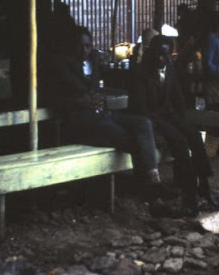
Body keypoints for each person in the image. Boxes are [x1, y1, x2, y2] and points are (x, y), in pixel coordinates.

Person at [41, 26, 176, 202]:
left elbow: (102, 85)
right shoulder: (61, 66)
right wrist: (77, 101)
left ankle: (154, 181)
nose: (84, 50)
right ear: (71, 45)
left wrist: (101, 97)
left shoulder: (94, 61)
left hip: (102, 115)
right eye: (80, 45)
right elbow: (50, 98)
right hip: (81, 121)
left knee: (143, 123)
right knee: (133, 139)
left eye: (88, 46)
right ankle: (148, 188)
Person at [129, 35, 219, 216]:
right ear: (151, 53)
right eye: (159, 54)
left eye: (166, 55)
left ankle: (204, 185)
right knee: (179, 142)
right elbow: (140, 108)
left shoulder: (169, 68)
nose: (162, 58)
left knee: (194, 135)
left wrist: (183, 121)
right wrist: (167, 124)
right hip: (149, 118)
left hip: (167, 115)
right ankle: (190, 194)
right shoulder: (139, 72)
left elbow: (178, 97)